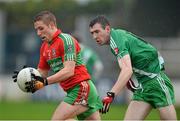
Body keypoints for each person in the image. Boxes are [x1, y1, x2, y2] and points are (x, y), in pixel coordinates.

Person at [13, 10, 103, 120]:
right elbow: (42, 73)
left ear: (51, 25)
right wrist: (28, 76)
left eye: (41, 28)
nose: (38, 33)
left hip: (81, 88)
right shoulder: (44, 47)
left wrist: (44, 82)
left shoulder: (66, 40)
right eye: (36, 29)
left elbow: (69, 71)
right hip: (75, 91)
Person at [89, 15, 177, 120]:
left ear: (107, 29)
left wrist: (111, 94)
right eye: (92, 33)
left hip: (156, 81)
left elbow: (127, 69)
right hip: (143, 85)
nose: (94, 36)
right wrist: (127, 79)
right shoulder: (116, 38)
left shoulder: (116, 39)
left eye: (97, 31)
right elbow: (127, 65)